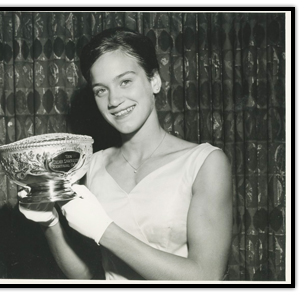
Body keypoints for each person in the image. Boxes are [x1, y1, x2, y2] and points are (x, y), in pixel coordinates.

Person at [19, 27, 233, 281]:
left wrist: (104, 230)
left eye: (125, 81)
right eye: (101, 90)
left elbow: (206, 277)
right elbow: (87, 276)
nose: (114, 100)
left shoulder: (205, 163)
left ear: (154, 80)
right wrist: (50, 223)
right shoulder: (91, 165)